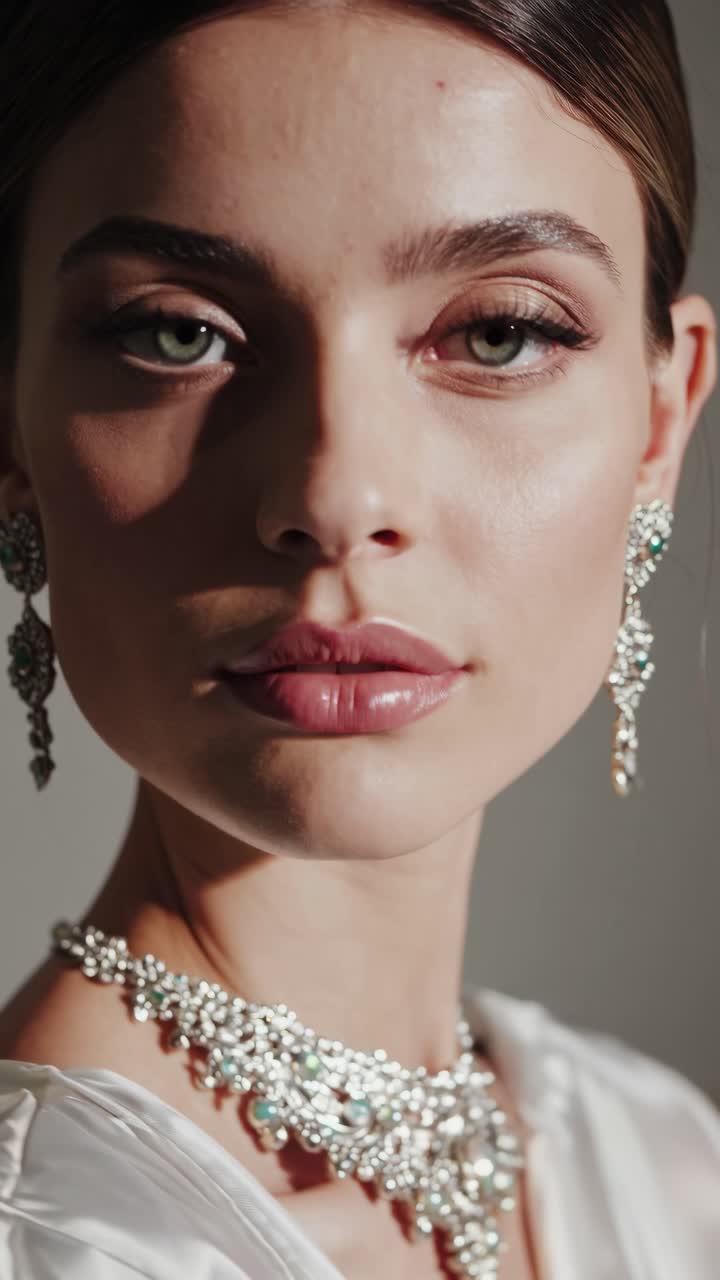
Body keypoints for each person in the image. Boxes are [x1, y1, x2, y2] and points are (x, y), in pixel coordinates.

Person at [0, 1, 718, 1276]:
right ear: (11, 433)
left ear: (662, 424)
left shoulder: (669, 1158)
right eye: (181, 334)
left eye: (499, 333)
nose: (335, 497)